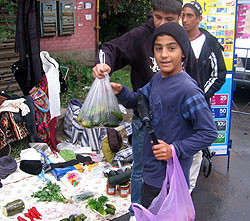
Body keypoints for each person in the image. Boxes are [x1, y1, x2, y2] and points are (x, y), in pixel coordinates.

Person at [92, 0, 200, 218]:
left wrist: (187, 129)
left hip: (176, 128)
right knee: (143, 172)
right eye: (157, 17)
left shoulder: (183, 43)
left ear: (179, 16)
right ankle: (138, 212)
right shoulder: (140, 38)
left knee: (172, 176)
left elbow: (196, 88)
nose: (161, 24)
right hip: (145, 122)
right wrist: (105, 67)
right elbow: (110, 49)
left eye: (169, 19)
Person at [110, 22, 218, 208]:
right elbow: (139, 102)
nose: (164, 54)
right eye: (158, 48)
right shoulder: (158, 79)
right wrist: (122, 92)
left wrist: (174, 149)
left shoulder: (188, 90)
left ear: (183, 52)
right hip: (151, 171)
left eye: (171, 48)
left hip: (169, 178)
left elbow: (208, 133)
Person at [182, 1, 227, 192]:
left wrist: (200, 95)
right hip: (174, 104)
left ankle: (187, 189)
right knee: (175, 142)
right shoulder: (176, 39)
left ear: (200, 19)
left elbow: (219, 75)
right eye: (182, 15)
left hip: (198, 105)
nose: (184, 19)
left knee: (194, 147)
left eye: (189, 15)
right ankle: (173, 184)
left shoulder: (209, 43)